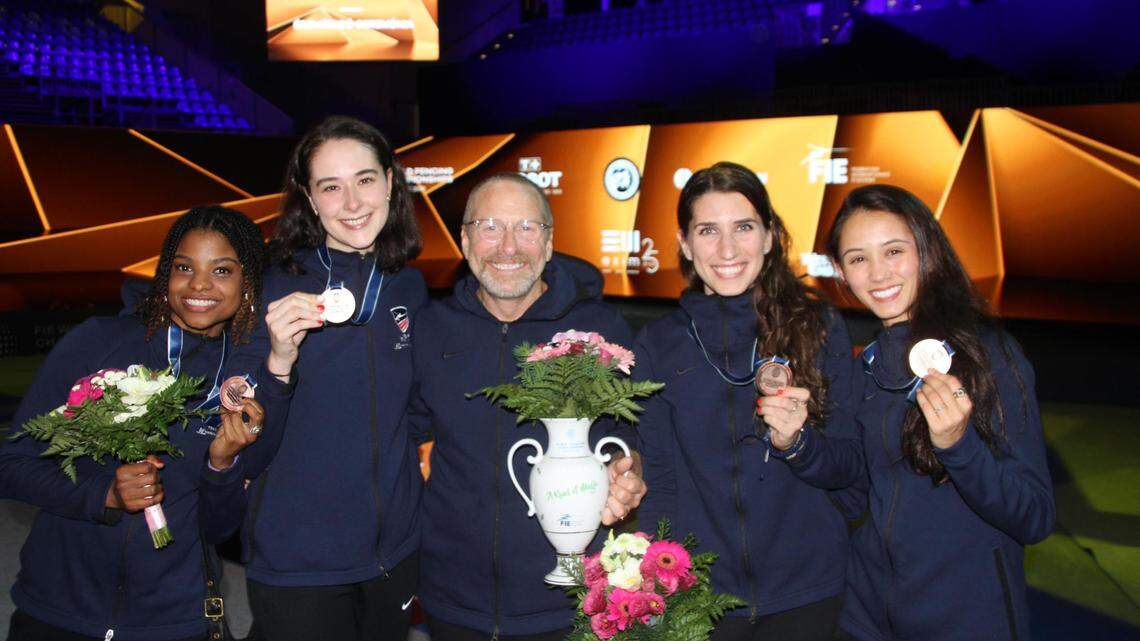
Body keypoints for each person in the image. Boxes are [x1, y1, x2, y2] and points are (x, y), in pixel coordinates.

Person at [1, 205, 289, 640]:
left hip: (174, 620)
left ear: (247, 284)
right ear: (163, 274)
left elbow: (219, 529)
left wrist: (222, 465)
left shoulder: (245, 381)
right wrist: (106, 494)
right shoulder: (98, 341)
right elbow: (12, 465)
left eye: (222, 270)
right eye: (183, 266)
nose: (199, 284)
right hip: (59, 611)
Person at [793, 184, 1054, 640]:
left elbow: (1034, 516)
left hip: (968, 620)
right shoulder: (867, 365)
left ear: (926, 249)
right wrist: (798, 444)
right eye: (857, 259)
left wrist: (959, 448)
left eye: (894, 251)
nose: (878, 274)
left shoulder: (988, 353)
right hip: (867, 619)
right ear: (840, 271)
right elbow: (856, 496)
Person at [406, 173, 648, 641]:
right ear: (464, 240)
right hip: (452, 598)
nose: (508, 247)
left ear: (550, 241)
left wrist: (630, 470)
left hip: (573, 601)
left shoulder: (599, 327)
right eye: (490, 226)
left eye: (527, 228)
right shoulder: (432, 329)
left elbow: (633, 438)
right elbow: (405, 433)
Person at [632, 162, 862, 641]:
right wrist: (655, 586)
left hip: (809, 595)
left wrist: (799, 443)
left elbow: (851, 468)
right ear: (684, 243)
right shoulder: (658, 344)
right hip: (702, 601)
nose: (728, 249)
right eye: (708, 230)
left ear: (770, 236)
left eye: (743, 227)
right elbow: (663, 482)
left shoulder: (818, 326)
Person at [240, 115, 427, 641]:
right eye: (331, 186)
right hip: (299, 560)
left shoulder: (409, 288)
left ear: (391, 181)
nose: (352, 203)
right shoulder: (270, 288)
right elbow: (243, 448)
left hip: (394, 553)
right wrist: (277, 363)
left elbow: (413, 413)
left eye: (365, 180)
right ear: (309, 197)